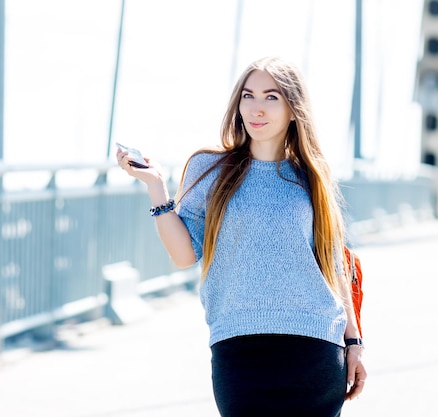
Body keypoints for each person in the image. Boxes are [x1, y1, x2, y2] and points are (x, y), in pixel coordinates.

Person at [117, 56, 366, 416]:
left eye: (271, 97)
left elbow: (333, 262)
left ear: (294, 109)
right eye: (248, 96)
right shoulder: (209, 169)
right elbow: (185, 255)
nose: (256, 108)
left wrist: (354, 342)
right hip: (238, 348)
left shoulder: (312, 176)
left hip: (315, 349)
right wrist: (156, 187)